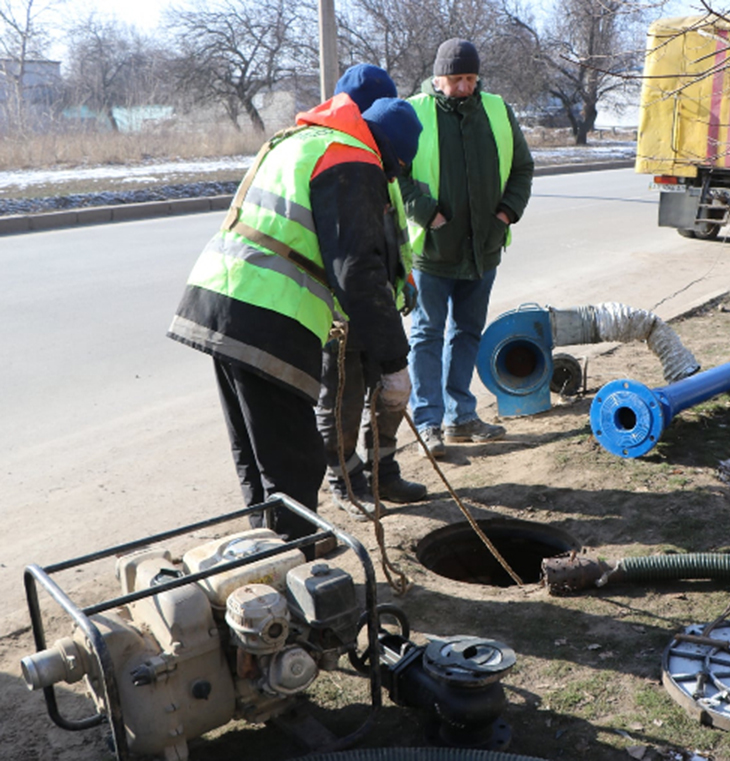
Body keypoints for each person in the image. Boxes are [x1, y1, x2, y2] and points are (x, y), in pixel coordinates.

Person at [168, 69, 418, 541]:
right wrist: (394, 362)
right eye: (394, 170)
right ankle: (299, 572)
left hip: (219, 298)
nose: (389, 180)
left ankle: (270, 561)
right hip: (268, 315)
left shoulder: (302, 139)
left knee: (257, 456)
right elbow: (358, 270)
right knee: (295, 463)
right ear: (390, 151)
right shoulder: (353, 157)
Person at [398, 38, 535, 458]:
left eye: (470, 79)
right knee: (426, 335)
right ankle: (428, 424)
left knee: (468, 333)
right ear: (438, 78)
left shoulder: (496, 109)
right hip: (434, 250)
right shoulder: (414, 112)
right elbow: (394, 172)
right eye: (456, 79)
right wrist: (424, 211)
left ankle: (461, 416)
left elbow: (523, 167)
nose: (464, 87)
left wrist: (505, 215)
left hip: (483, 248)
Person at [316, 68, 429, 518]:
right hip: (341, 307)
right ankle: (345, 479)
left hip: (378, 298)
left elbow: (390, 229)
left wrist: (404, 280)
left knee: (389, 389)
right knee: (342, 395)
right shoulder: (341, 155)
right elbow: (346, 254)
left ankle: (384, 470)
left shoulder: (376, 152)